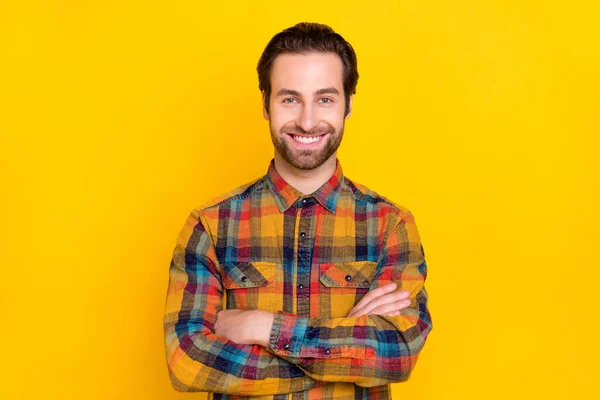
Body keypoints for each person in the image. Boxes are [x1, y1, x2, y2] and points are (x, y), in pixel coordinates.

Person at [163, 22, 433, 400]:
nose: (307, 121)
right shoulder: (210, 224)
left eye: (325, 99)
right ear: (264, 103)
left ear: (349, 104)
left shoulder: (391, 225)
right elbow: (187, 362)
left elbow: (395, 354)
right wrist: (343, 348)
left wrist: (265, 327)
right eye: (290, 99)